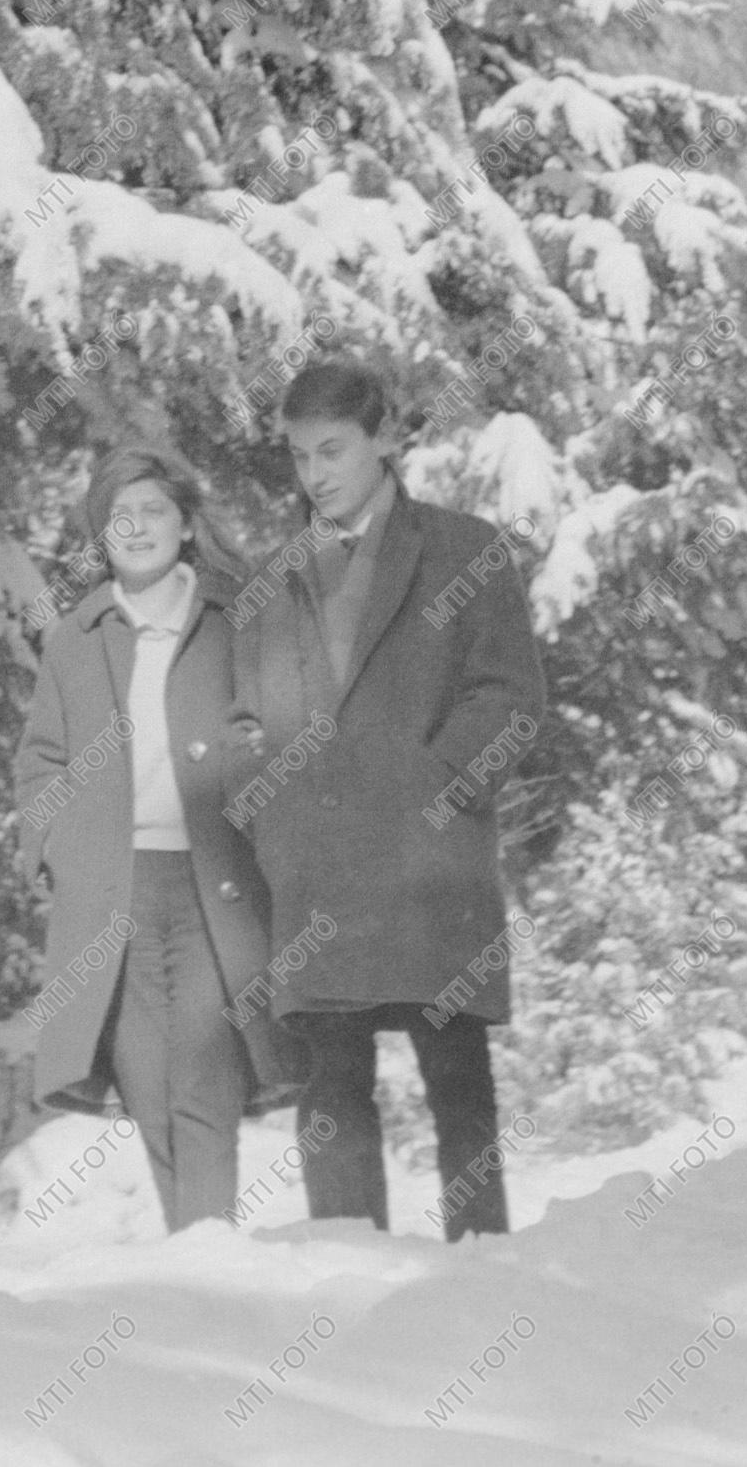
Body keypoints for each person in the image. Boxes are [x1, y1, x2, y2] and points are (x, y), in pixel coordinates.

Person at [197, 355, 550, 1241]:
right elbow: (243, 724)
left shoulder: (466, 551)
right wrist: (268, 810)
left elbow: (510, 696)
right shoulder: (270, 581)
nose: (313, 473)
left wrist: (439, 783)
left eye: (331, 449)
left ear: (384, 440)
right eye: (297, 454)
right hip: (317, 874)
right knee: (331, 1091)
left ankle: (484, 1275)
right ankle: (349, 1280)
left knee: (457, 1082)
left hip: (431, 866)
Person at [9, 443, 294, 1228]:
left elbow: (282, 729)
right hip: (112, 892)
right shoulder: (78, 634)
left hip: (216, 885)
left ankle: (208, 1251)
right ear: (99, 535)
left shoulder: (236, 619)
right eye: (116, 517)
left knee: (205, 1079)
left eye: (152, 511)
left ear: (185, 523)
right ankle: (194, 1251)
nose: (134, 528)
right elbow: (40, 763)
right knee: (145, 1085)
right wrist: (58, 847)